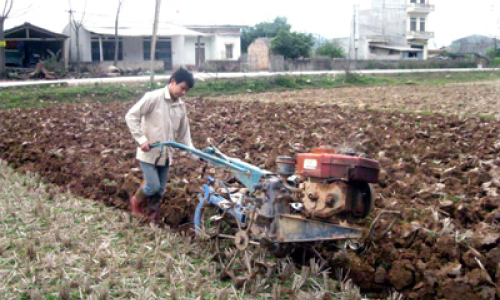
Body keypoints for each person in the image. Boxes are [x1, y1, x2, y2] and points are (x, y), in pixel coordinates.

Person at [125, 68, 195, 224]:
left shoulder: (180, 106)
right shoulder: (153, 98)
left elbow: (184, 133)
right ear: (173, 82)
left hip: (166, 154)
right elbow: (131, 116)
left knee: (160, 189)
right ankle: (136, 202)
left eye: (187, 90)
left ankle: (152, 214)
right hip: (149, 153)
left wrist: (193, 152)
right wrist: (141, 140)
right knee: (153, 185)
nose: (183, 92)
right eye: (182, 88)